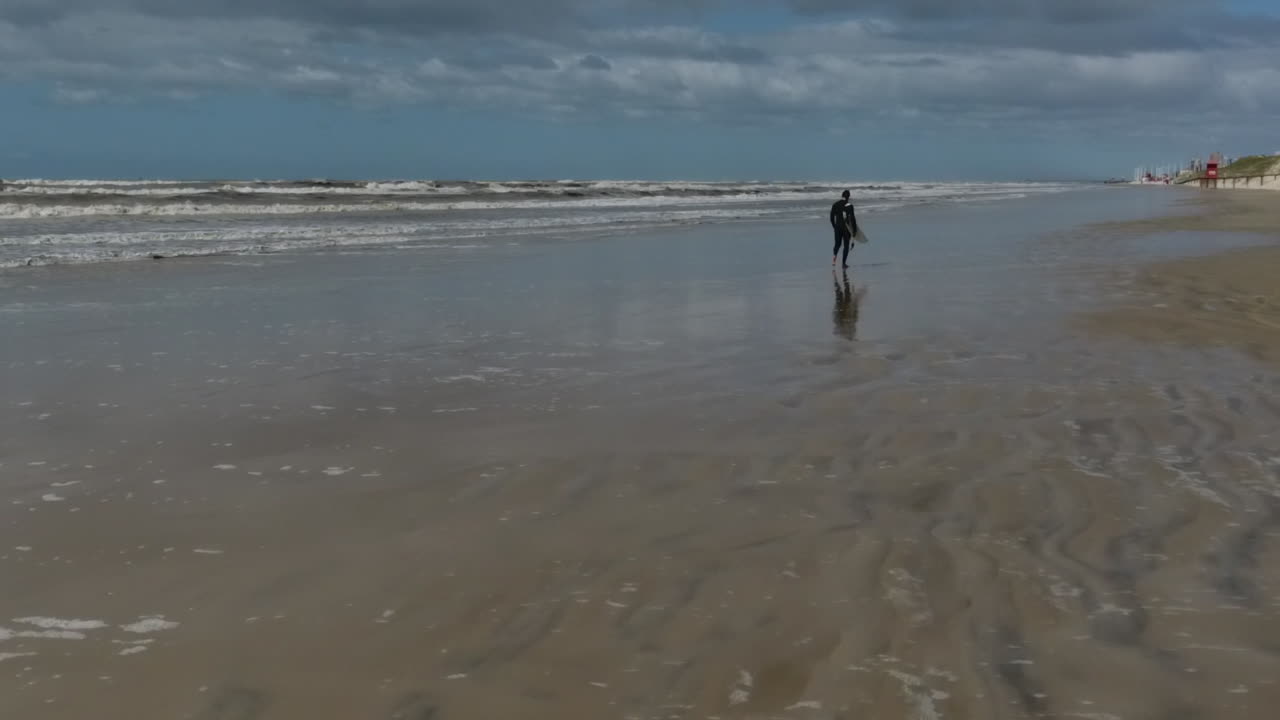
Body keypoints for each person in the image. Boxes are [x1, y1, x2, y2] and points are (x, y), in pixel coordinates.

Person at [829, 189, 858, 268]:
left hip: (837, 227)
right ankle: (843, 264)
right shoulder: (849, 206)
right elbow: (852, 219)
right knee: (846, 246)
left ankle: (834, 258)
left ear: (842, 196)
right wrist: (854, 230)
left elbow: (831, 218)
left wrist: (834, 226)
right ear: (848, 197)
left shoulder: (835, 204)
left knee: (837, 244)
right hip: (846, 228)